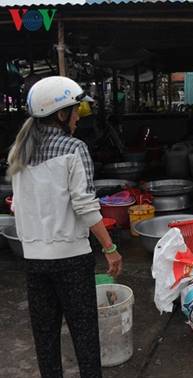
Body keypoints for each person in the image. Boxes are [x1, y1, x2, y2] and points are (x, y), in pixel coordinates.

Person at [7, 76, 122, 377]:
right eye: (76, 111)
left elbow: (17, 206)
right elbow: (85, 206)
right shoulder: (74, 148)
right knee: (84, 336)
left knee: (45, 340)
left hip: (34, 261)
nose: (77, 118)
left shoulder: (20, 153)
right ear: (61, 115)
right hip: (71, 260)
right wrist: (110, 248)